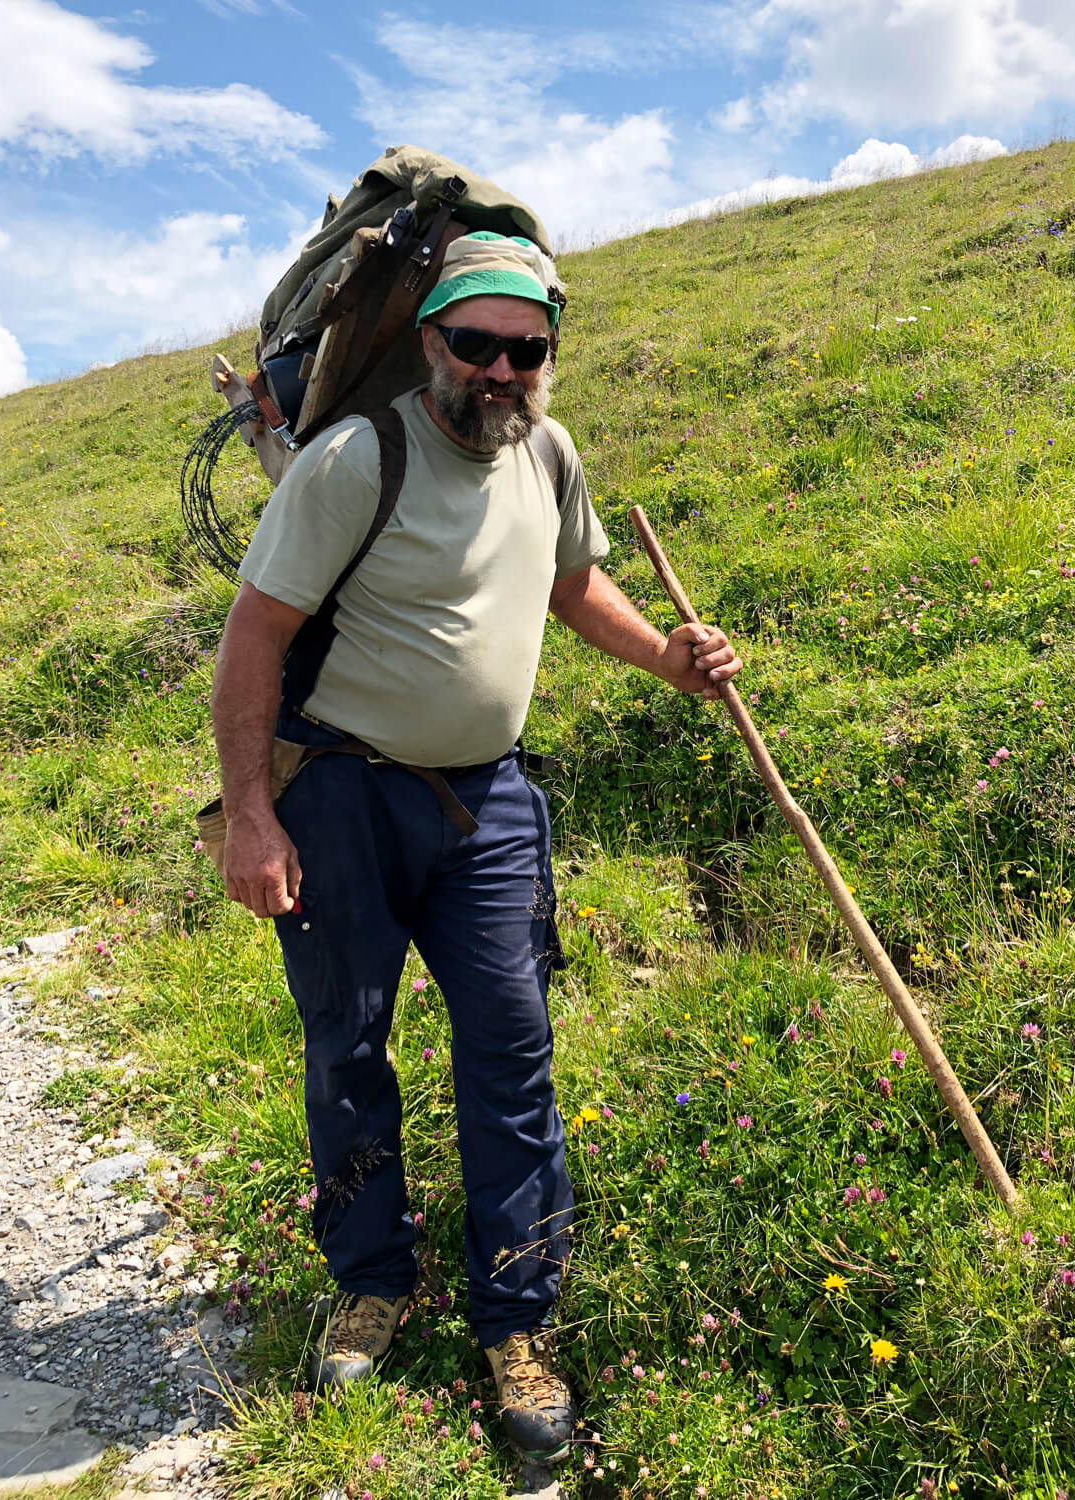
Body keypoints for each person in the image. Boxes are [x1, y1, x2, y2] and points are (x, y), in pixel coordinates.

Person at [210, 232, 743, 1463]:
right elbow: (255, 635)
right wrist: (250, 811)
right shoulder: (356, 458)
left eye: (528, 350)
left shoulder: (546, 453)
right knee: (348, 1042)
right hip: (340, 796)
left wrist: (666, 653)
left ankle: (516, 1321)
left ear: (548, 356)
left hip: (490, 804)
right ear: (431, 341)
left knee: (512, 1050)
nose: (502, 371)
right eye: (477, 345)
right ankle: (370, 1283)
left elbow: (572, 586)